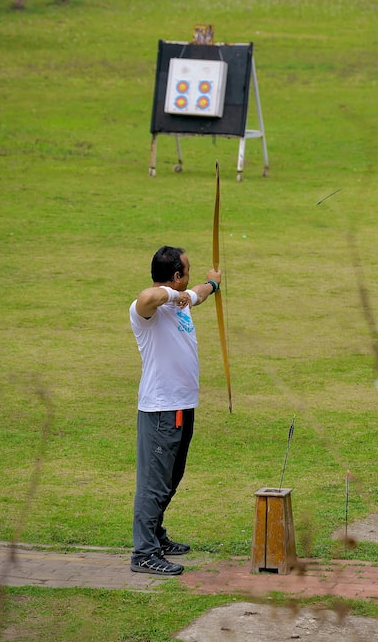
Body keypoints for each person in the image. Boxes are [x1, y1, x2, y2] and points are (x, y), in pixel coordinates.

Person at [128, 245, 221, 575]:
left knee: (170, 478)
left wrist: (212, 284)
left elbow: (198, 293)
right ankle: (144, 553)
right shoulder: (148, 310)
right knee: (154, 483)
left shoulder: (181, 301)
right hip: (161, 409)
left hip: (182, 405)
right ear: (176, 276)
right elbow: (146, 297)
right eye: (188, 271)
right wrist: (172, 294)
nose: (190, 278)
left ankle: (156, 536)